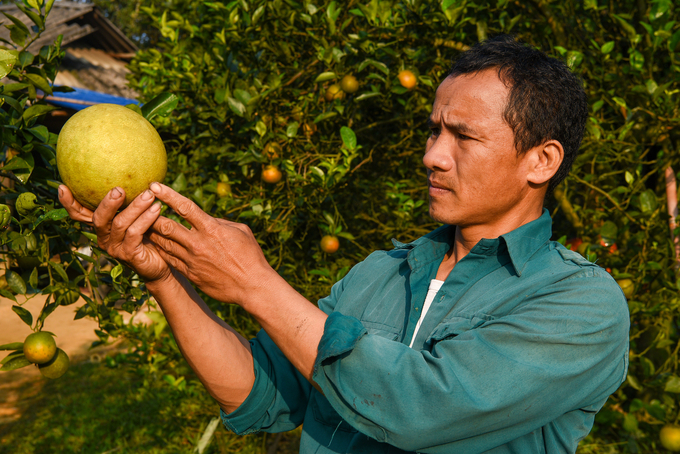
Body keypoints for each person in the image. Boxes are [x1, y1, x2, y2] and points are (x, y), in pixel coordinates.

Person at [59, 35, 629, 453]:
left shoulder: (579, 303)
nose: (432, 154)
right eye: (434, 130)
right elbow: (260, 397)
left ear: (541, 160)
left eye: (464, 136)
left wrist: (255, 284)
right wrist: (164, 278)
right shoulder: (380, 273)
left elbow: (419, 408)